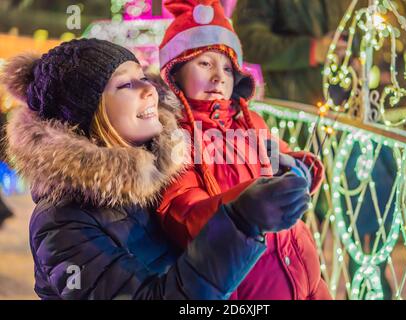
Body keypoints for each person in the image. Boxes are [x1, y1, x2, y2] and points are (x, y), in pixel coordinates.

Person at [1, 38, 309, 299]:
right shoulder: (61, 226)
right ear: (88, 113)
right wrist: (240, 222)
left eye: (143, 76)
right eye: (126, 84)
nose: (149, 90)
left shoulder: (161, 172)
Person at [157, 0, 331, 300]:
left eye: (226, 67)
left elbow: (283, 158)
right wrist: (247, 207)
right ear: (176, 73)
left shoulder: (248, 122)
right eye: (205, 63)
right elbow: (183, 213)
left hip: (303, 265)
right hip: (250, 282)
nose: (219, 76)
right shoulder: (174, 138)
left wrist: (298, 168)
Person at [232, 0, 352, 105]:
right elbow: (248, 41)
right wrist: (312, 50)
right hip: (291, 113)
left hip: (340, 111)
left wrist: (353, 59)